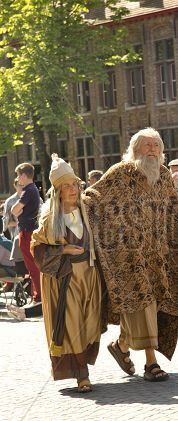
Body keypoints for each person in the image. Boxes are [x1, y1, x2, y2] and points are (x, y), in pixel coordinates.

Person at [83, 128, 178, 382]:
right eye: (147, 145)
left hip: (158, 258)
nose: (153, 149)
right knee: (142, 303)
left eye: (157, 145)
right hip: (129, 258)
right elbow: (94, 198)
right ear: (135, 149)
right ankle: (151, 363)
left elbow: (176, 206)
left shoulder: (165, 177)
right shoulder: (120, 173)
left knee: (149, 307)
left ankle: (121, 347)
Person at [31, 155, 102, 392]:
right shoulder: (50, 220)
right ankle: (82, 374)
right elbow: (37, 248)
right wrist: (63, 249)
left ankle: (84, 365)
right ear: (58, 191)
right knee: (72, 324)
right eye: (66, 186)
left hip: (90, 276)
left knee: (90, 322)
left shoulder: (89, 214)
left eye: (75, 185)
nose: (72, 190)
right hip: (66, 277)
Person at [11, 163, 41, 305]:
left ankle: (38, 297)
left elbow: (14, 210)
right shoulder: (33, 189)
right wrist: (18, 211)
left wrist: (18, 211)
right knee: (33, 264)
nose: (18, 178)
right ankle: (38, 295)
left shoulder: (27, 190)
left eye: (18, 175)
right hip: (30, 230)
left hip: (27, 231)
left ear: (23, 175)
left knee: (32, 265)